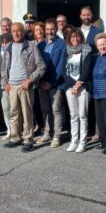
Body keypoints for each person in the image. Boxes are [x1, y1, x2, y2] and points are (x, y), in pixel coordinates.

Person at [0, 22, 46, 153]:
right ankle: (15, 138)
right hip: (11, 86)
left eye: (19, 30)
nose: (16, 33)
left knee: (27, 114)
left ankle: (27, 140)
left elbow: (41, 66)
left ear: (23, 32)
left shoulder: (31, 46)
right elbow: (3, 68)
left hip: (25, 86)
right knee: (14, 113)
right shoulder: (8, 47)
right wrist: (4, 83)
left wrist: (30, 80)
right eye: (13, 31)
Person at [35, 19, 67, 148]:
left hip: (56, 83)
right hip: (41, 83)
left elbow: (61, 66)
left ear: (56, 29)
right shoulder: (40, 45)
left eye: (52, 29)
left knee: (56, 110)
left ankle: (57, 136)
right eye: (47, 29)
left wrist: (51, 82)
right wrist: (40, 81)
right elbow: (36, 64)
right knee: (45, 109)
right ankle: (47, 133)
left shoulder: (62, 44)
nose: (49, 32)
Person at [64, 28, 95, 153]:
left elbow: (87, 70)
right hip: (70, 87)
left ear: (81, 38)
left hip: (83, 87)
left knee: (83, 115)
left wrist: (79, 84)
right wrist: (73, 85)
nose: (75, 39)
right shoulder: (66, 52)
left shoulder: (87, 50)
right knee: (73, 115)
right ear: (69, 39)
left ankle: (82, 142)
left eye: (77, 37)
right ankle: (74, 141)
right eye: (73, 37)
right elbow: (64, 71)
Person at [91, 33, 106, 154]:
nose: (102, 47)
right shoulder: (96, 57)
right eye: (99, 45)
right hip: (96, 93)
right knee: (100, 120)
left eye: (104, 44)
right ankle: (103, 141)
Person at [0, 33, 13, 140]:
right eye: (2, 42)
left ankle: (17, 130)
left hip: (14, 85)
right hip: (3, 86)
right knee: (6, 109)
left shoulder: (14, 53)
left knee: (15, 110)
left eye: (6, 42)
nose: (4, 44)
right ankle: (9, 130)